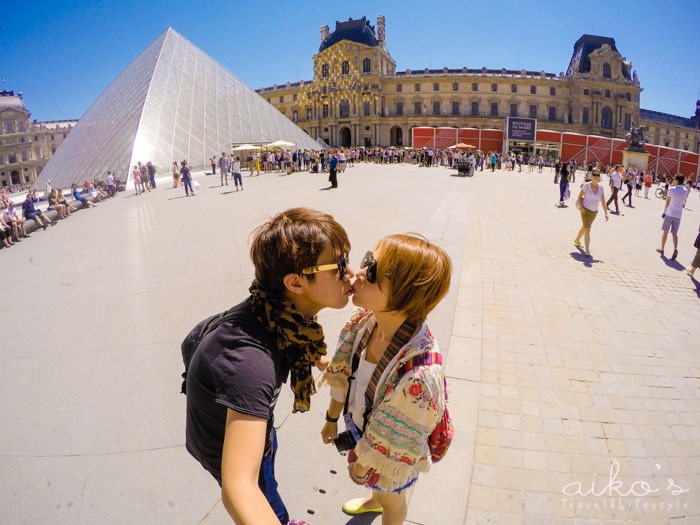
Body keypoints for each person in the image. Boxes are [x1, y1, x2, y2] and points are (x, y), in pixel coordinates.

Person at [185, 208, 354, 525]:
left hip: (249, 416)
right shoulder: (251, 362)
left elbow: (295, 338)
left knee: (266, 466)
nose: (352, 273)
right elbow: (238, 486)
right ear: (296, 282)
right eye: (340, 265)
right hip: (223, 440)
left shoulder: (277, 308)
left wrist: (324, 361)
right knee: (263, 492)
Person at [320, 234, 451, 524]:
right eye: (367, 260)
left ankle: (383, 505)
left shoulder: (419, 375)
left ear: (405, 295)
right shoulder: (365, 320)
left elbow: (389, 448)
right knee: (377, 487)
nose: (358, 272)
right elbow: (343, 373)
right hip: (363, 428)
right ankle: (373, 501)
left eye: (373, 271)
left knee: (393, 499)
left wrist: (363, 464)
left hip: (391, 449)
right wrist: (331, 419)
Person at [573, 169, 609, 257]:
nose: (596, 177)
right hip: (585, 210)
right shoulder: (586, 185)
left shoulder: (601, 188)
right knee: (588, 229)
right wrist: (582, 208)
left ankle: (577, 239)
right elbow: (579, 197)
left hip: (594, 212)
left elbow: (603, 202)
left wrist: (606, 213)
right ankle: (587, 249)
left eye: (598, 175)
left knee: (585, 227)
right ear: (591, 176)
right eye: (594, 175)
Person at [656, 174, 689, 260]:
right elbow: (684, 202)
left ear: (677, 180)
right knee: (674, 233)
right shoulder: (685, 190)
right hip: (678, 215)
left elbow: (667, 202)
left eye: (674, 179)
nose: (673, 180)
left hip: (670, 213)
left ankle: (662, 249)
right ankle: (675, 248)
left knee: (665, 232)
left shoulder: (672, 189)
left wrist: (664, 212)